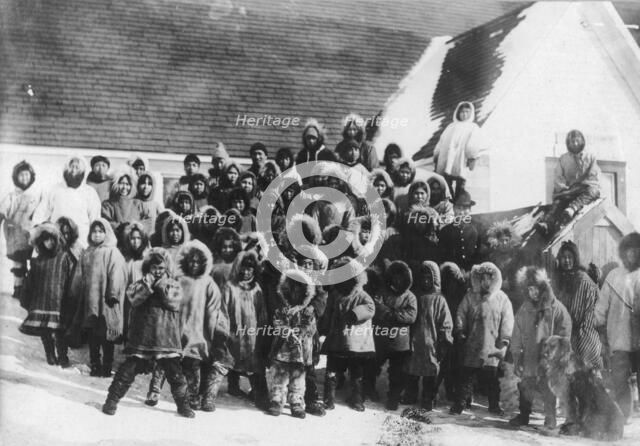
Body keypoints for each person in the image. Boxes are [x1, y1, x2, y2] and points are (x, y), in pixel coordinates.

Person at [101, 247, 194, 418]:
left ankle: (184, 405)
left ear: (166, 268)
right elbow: (133, 298)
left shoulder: (173, 284)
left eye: (161, 268)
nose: (158, 271)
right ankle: (111, 401)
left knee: (175, 374)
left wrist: (159, 283)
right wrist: (147, 284)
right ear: (148, 267)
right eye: (154, 267)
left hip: (166, 338)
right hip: (142, 336)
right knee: (128, 370)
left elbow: (174, 302)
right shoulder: (141, 283)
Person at [509, 267, 572, 429]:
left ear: (542, 287)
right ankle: (524, 415)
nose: (533, 293)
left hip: (548, 358)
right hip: (529, 356)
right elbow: (517, 333)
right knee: (525, 384)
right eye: (529, 289)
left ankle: (550, 418)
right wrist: (517, 355)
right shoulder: (524, 310)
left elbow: (565, 330)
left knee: (547, 387)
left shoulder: (556, 308)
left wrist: (558, 353)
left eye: (536, 288)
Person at [450, 262, 513, 415]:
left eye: (489, 279)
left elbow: (508, 320)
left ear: (495, 279)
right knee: (466, 377)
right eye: (482, 279)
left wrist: (504, 340)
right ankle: (460, 403)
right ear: (477, 279)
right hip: (472, 344)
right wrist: (460, 330)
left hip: (492, 346)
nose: (485, 282)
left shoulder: (501, 298)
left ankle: (494, 405)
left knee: (492, 380)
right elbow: (461, 313)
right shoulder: (471, 296)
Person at [175, 239, 230, 412]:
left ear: (204, 262)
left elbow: (213, 310)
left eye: (198, 261)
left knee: (194, 367)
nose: (194, 264)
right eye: (191, 260)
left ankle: (195, 395)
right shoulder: (179, 280)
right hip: (180, 331)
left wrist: (213, 335)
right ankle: (186, 395)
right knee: (182, 367)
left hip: (200, 334)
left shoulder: (208, 283)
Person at [69, 218, 127, 377]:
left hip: (107, 300)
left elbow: (117, 273)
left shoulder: (112, 252)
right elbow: (79, 275)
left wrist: (113, 292)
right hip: (90, 300)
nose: (97, 235)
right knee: (93, 334)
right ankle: (95, 363)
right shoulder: (87, 252)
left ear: (107, 233)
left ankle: (107, 365)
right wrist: (75, 292)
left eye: (100, 231)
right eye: (94, 231)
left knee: (107, 335)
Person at [320, 257, 375, 412]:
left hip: (355, 343)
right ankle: (329, 398)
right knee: (333, 370)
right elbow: (328, 314)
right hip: (338, 340)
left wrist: (355, 314)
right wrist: (323, 329)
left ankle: (356, 399)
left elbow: (370, 307)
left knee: (355, 372)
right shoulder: (334, 294)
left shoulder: (361, 295)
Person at [595, 232, 640, 420]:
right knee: (620, 380)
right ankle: (624, 416)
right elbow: (601, 307)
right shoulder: (614, 276)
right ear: (623, 253)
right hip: (619, 339)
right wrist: (598, 324)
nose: (633, 256)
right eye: (629, 251)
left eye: (637, 252)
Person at [19, 223, 75, 367]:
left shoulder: (63, 257)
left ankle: (62, 355)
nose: (49, 243)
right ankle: (50, 354)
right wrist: (26, 298)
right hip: (41, 301)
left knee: (59, 331)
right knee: (44, 330)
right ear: (41, 241)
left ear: (57, 240)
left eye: (52, 239)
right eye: (46, 239)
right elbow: (30, 282)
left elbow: (70, 278)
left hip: (58, 301)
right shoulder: (37, 261)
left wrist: (70, 298)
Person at [366, 261, 417, 410]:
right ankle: (369, 390)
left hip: (400, 342)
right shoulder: (382, 292)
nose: (397, 280)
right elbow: (375, 307)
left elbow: (411, 316)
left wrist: (389, 313)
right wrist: (392, 313)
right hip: (380, 339)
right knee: (372, 366)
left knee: (398, 373)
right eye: (394, 277)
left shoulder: (410, 297)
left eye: (401, 278)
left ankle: (393, 397)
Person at [266, 270, 317, 418]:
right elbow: (277, 323)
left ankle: (296, 401)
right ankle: (276, 400)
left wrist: (300, 332)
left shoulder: (308, 311)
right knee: (279, 375)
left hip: (301, 350)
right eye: (292, 289)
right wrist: (287, 332)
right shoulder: (282, 309)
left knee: (298, 376)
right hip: (283, 349)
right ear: (286, 290)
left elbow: (311, 327)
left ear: (306, 292)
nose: (296, 293)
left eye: (300, 289)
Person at [404, 261, 453, 410]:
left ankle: (428, 398)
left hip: (431, 343)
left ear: (435, 280)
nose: (425, 281)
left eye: (429, 278)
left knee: (430, 373)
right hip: (414, 341)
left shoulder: (439, 300)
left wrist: (445, 340)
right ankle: (410, 395)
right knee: (412, 371)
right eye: (423, 277)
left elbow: (446, 322)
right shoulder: (415, 297)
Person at [223, 250, 269, 408]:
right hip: (234, 331)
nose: (246, 271)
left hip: (252, 333)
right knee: (232, 357)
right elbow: (223, 309)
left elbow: (262, 313)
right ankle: (232, 385)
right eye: (243, 267)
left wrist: (263, 332)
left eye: (250, 268)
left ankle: (261, 394)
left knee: (254, 363)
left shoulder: (256, 289)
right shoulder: (230, 287)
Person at [538, 130, 601, 235]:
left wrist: (581, 185)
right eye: (572, 141)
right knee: (558, 201)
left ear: (582, 142)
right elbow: (558, 177)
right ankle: (547, 223)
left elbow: (593, 176)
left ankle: (572, 209)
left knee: (594, 191)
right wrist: (565, 189)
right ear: (568, 143)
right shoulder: (563, 159)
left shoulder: (591, 157)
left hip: (584, 189)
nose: (575, 144)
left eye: (577, 141)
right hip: (568, 191)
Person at [553, 241, 602, 371]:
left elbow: (586, 313)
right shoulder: (560, 279)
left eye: (570, 257)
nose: (567, 261)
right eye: (563, 257)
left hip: (585, 333)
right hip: (567, 333)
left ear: (575, 259)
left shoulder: (583, 280)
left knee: (585, 373)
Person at [33, 156, 102, 248]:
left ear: (83, 171)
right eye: (71, 167)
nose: (73, 170)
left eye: (77, 168)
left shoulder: (90, 192)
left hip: (82, 242)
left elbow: (95, 218)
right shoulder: (54, 190)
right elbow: (41, 213)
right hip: (57, 241)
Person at [0, 160, 44, 298]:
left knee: (34, 261)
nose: (24, 178)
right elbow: (3, 210)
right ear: (16, 177)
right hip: (15, 234)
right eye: (21, 175)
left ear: (31, 177)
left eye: (27, 175)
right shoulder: (12, 195)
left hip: (31, 234)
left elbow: (42, 211)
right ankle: (18, 287)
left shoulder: (36, 195)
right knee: (18, 262)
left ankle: (30, 289)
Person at [433, 101, 486, 200]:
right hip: (447, 162)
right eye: (462, 112)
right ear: (457, 113)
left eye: (467, 112)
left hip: (461, 161)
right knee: (446, 185)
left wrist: (471, 157)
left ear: (471, 113)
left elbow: (473, 145)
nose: (464, 114)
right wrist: (436, 155)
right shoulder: (451, 126)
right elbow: (441, 141)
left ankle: (459, 204)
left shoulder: (473, 127)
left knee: (460, 186)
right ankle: (450, 203)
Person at [486, 220, 525, 311]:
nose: (504, 243)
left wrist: (511, 283)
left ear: (510, 240)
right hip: (497, 295)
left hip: (514, 296)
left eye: (506, 240)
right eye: (501, 240)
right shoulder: (492, 258)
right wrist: (499, 283)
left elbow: (520, 277)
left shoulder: (517, 256)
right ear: (497, 241)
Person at [439, 191, 479, 271]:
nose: (461, 212)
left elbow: (478, 255)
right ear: (453, 209)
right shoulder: (445, 231)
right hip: (451, 274)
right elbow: (442, 257)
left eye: (465, 208)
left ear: (470, 210)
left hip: (471, 273)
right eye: (458, 208)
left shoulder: (475, 230)